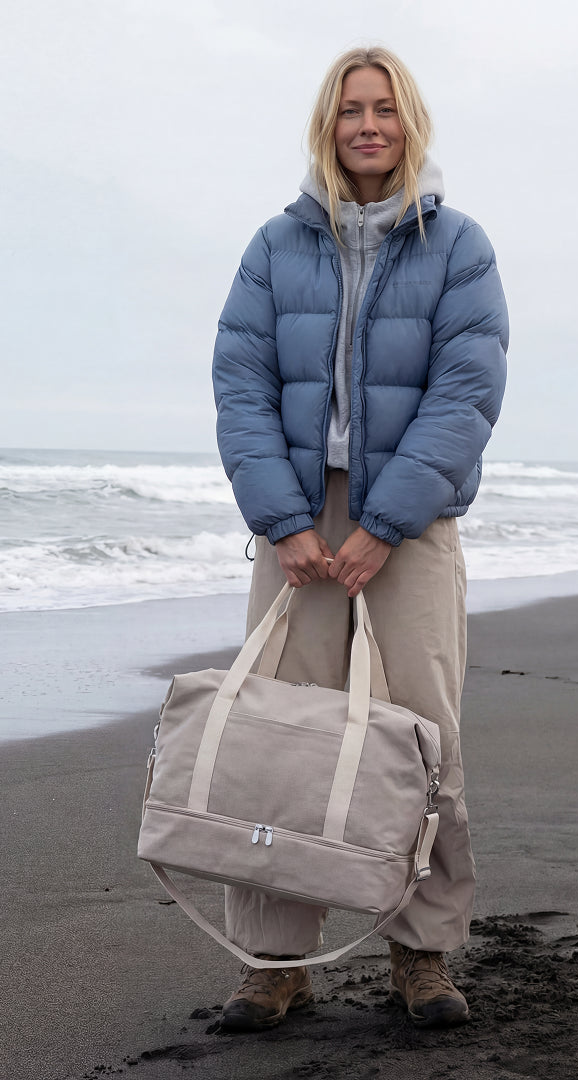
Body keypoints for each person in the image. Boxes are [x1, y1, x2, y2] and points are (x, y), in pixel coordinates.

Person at [210, 45, 508, 1031]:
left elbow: (467, 393)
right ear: (328, 125)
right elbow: (241, 386)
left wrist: (386, 522)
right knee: (280, 739)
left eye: (384, 108)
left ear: (408, 122)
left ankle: (422, 954)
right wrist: (283, 521)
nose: (368, 125)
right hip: (298, 520)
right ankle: (274, 962)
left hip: (412, 524)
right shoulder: (274, 247)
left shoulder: (458, 246)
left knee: (421, 739)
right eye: (351, 110)